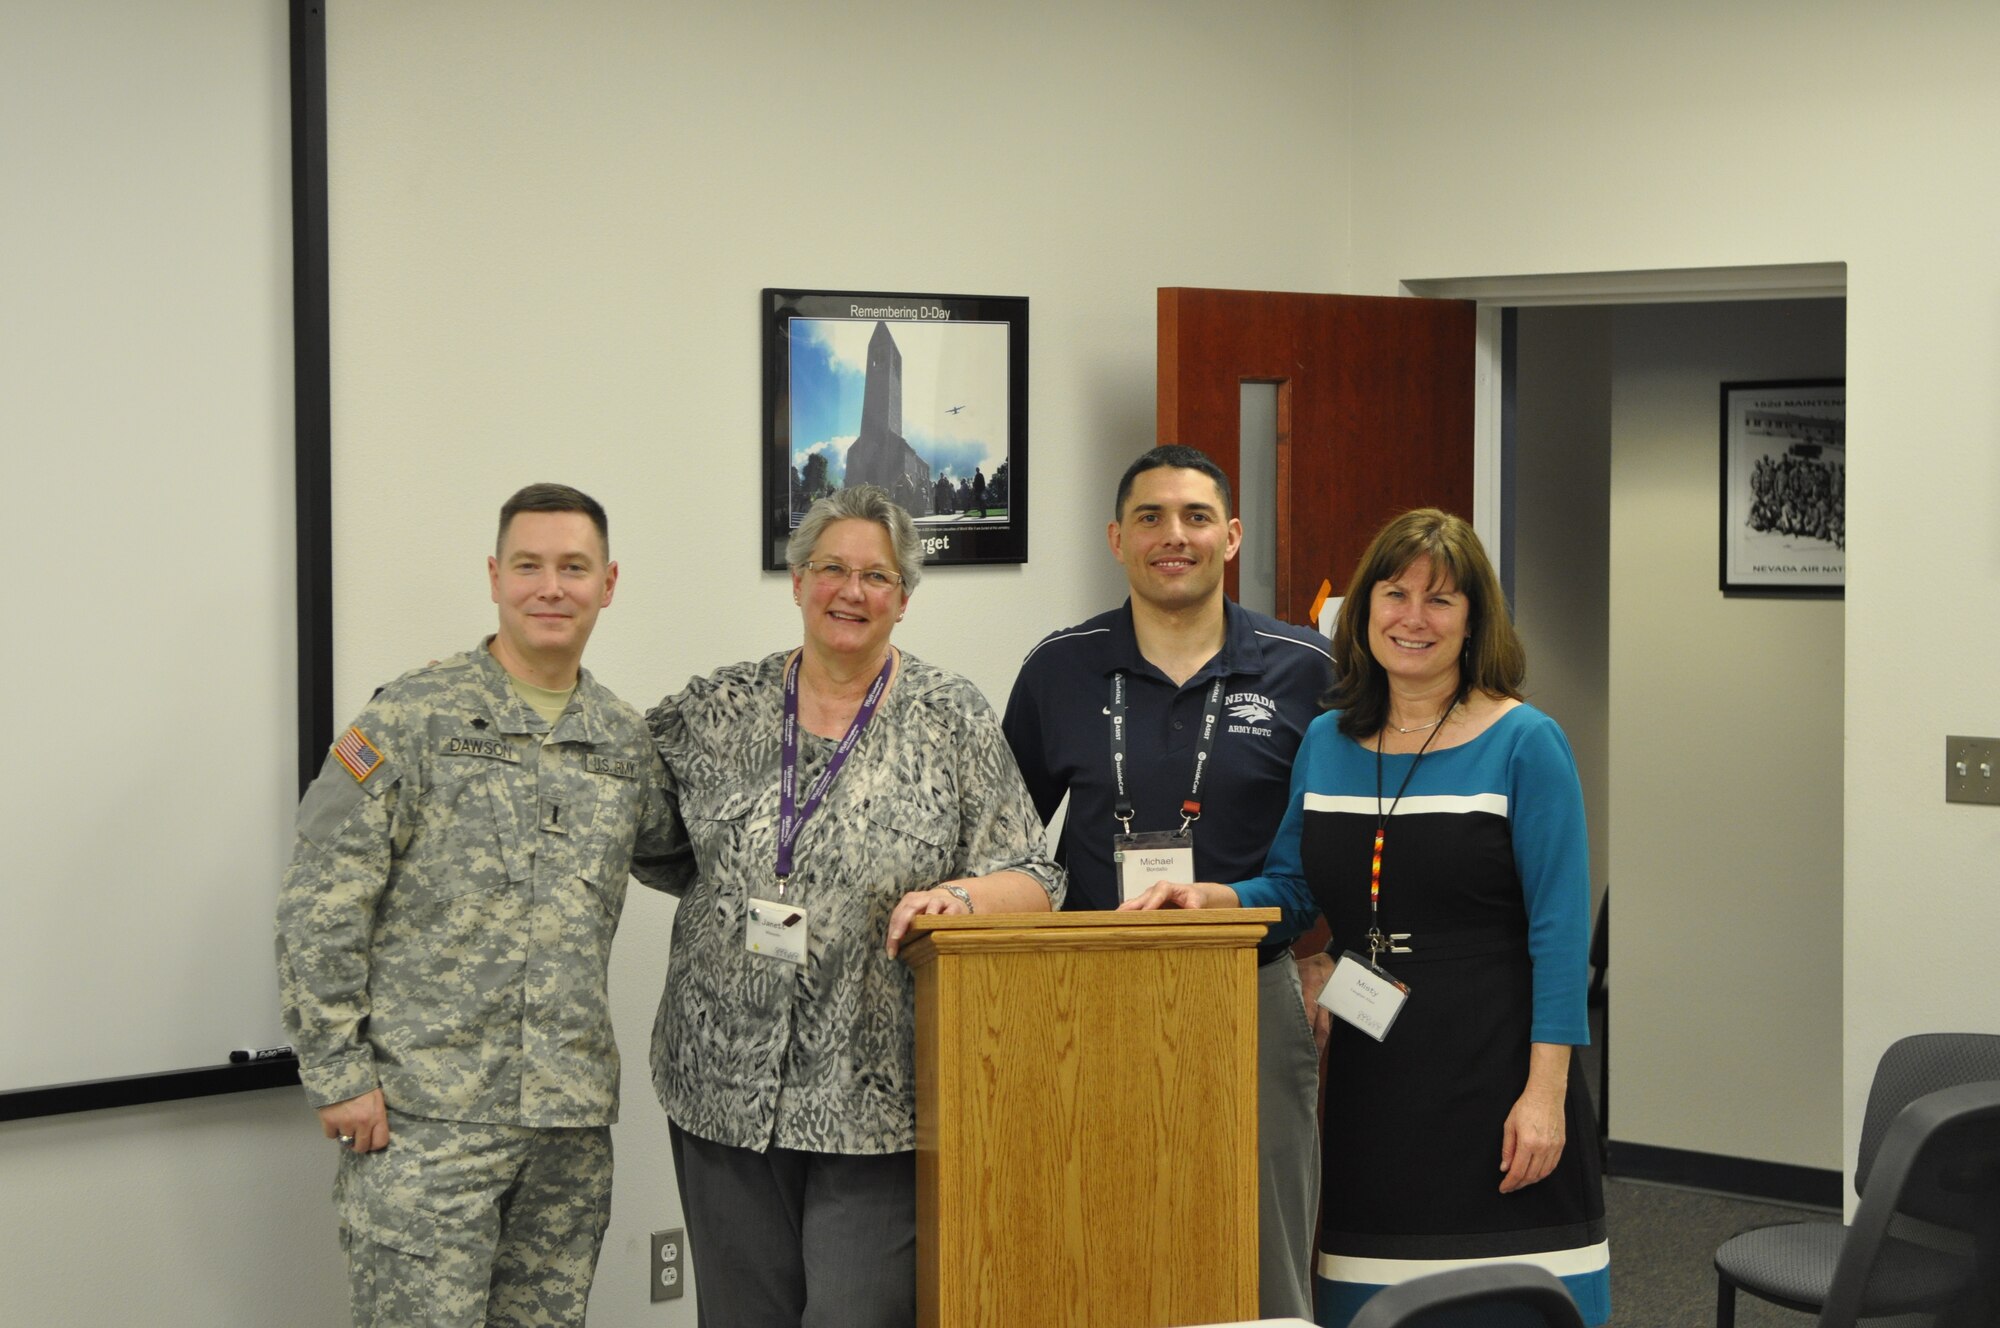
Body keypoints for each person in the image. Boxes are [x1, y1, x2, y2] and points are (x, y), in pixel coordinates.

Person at [1123, 507, 1609, 1327]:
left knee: (1513, 1307)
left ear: (1473, 621)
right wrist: (1215, 900)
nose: (1412, 618)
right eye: (1393, 593)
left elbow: (1560, 937)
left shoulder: (1527, 742)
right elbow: (1296, 888)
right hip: (1374, 1078)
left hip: (1497, 1072)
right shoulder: (1326, 741)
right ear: (1364, 610)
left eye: (1441, 600)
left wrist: (1546, 1096)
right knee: (1374, 1302)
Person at [643, 483, 1063, 1328]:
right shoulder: (713, 710)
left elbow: (1037, 879)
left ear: (904, 599)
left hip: (878, 1102)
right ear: (797, 581)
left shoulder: (953, 717)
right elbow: (642, 827)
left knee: (855, 1315)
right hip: (721, 1088)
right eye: (831, 568)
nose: (851, 591)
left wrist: (960, 896)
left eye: (876, 576)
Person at [276, 482, 687, 1327]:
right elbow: (322, 896)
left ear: (608, 584)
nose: (551, 587)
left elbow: (692, 863)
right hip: (425, 1124)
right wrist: (338, 1074)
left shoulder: (622, 742)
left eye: (574, 567)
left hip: (566, 1132)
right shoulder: (411, 719)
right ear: (495, 576)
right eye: (529, 565)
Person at [1001, 444, 1332, 1321]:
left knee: (1262, 1250)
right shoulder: (1058, 669)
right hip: (1088, 993)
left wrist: (1328, 957)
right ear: (1117, 538)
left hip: (1250, 989)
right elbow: (1005, 841)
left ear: (1230, 536)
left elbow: (1347, 838)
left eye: (1193, 517)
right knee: (1095, 1227)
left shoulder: (1308, 668)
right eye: (1149, 518)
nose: (1171, 536)